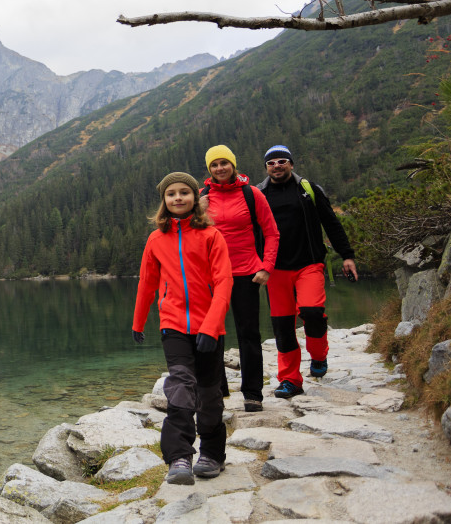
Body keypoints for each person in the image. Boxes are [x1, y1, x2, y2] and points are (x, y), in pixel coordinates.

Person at [131, 171, 233, 485]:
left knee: (209, 395)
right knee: (180, 388)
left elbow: (224, 281)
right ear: (164, 201)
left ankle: (213, 455)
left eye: (184, 193)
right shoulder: (155, 239)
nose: (178, 198)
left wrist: (212, 326)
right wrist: (138, 321)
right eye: (171, 194)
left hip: (209, 325)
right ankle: (179, 458)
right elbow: (147, 283)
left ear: (194, 198)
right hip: (173, 324)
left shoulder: (211, 236)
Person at [257, 145, 358, 399]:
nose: (277, 166)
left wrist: (347, 255)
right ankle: (290, 380)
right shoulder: (259, 195)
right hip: (275, 270)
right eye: (271, 163)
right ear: (266, 168)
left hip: (309, 264)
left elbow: (331, 224)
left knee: (312, 312)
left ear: (291, 164)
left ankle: (319, 354)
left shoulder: (308, 190)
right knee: (282, 326)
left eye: (282, 161)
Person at [201, 145, 279, 413]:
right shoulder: (202, 197)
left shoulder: (251, 194)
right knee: (211, 332)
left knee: (248, 334)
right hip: (211, 276)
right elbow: (190, 237)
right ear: (209, 169)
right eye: (214, 165)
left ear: (233, 165)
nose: (220, 168)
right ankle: (217, 390)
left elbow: (271, 232)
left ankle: (253, 393)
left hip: (246, 272)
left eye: (224, 163)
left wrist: (266, 266)